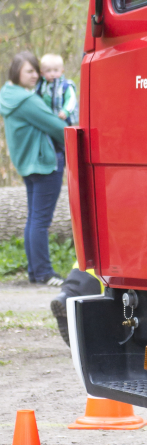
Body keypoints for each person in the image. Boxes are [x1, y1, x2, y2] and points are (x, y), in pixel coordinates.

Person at [0, 51, 67, 287]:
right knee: (40, 221)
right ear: (16, 72)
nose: (35, 75)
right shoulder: (27, 101)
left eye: (36, 71)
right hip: (44, 163)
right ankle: (45, 273)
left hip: (27, 164)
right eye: (29, 71)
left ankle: (34, 271)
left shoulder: (7, 95)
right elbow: (57, 127)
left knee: (34, 218)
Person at [36, 53, 79, 125]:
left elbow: (71, 99)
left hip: (64, 120)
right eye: (48, 71)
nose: (52, 74)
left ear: (62, 71)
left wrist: (65, 111)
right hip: (48, 120)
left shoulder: (65, 85)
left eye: (56, 70)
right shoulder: (41, 86)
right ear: (42, 73)